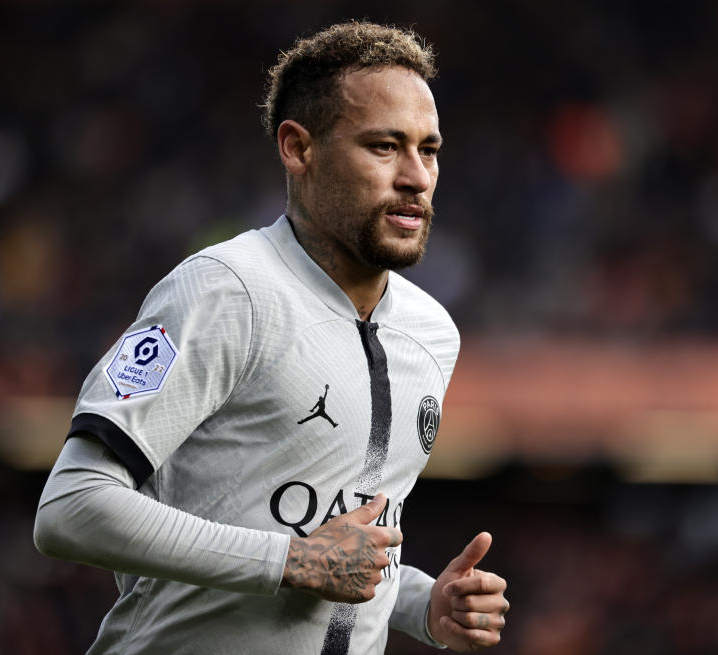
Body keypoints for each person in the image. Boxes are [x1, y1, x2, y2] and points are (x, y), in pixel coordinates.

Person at [34, 21, 508, 654]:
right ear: (297, 148)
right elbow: (72, 507)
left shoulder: (431, 335)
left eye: (429, 149)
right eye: (384, 147)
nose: (416, 177)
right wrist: (292, 561)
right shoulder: (223, 292)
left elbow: (340, 544)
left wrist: (425, 603)